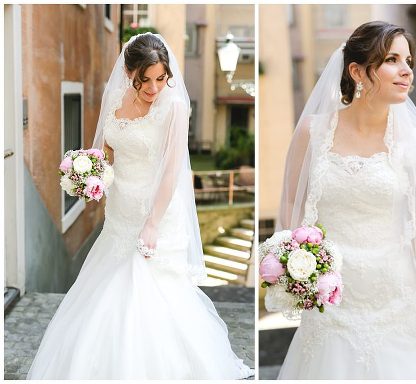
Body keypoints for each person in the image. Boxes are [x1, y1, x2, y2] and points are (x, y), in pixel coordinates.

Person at [272, 21, 416, 379]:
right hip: (333, 304)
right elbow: (290, 209)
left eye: (408, 60)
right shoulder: (311, 132)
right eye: (392, 59)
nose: (406, 70)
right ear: (357, 71)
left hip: (397, 300)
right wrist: (295, 268)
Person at [26, 33, 254, 379]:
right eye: (144, 79)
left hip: (157, 214)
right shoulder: (116, 99)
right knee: (107, 293)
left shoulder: (175, 107)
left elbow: (171, 171)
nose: (153, 87)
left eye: (160, 78)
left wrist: (152, 224)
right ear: (129, 72)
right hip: (119, 214)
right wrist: (90, 176)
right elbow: (108, 154)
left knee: (148, 295)